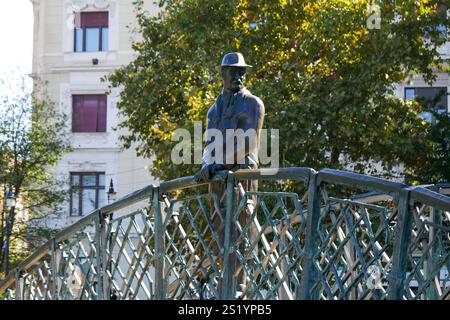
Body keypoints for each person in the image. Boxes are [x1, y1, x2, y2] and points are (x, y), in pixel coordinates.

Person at [193, 52, 265, 294]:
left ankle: (238, 287)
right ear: (222, 74)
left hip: (242, 174)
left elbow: (249, 141)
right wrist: (206, 165)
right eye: (233, 72)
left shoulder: (253, 104)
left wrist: (218, 164)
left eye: (242, 72)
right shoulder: (214, 109)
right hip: (219, 179)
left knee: (241, 230)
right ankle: (217, 283)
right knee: (219, 231)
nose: (239, 77)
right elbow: (209, 144)